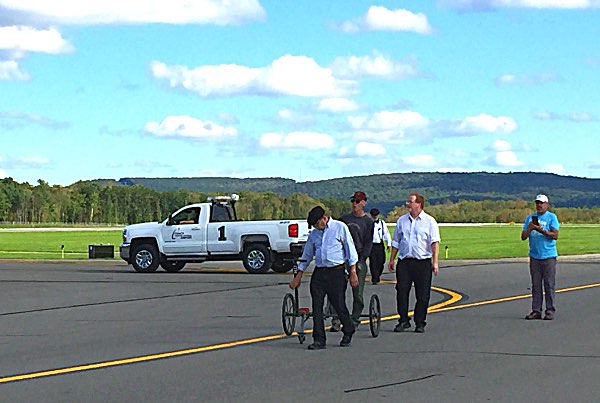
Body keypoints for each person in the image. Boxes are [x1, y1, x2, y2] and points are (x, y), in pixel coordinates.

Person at [289, 206, 359, 350]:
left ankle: (348, 328)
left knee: (338, 304)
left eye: (316, 223)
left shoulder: (340, 227)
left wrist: (353, 271)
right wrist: (298, 276)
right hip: (320, 272)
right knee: (317, 305)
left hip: (337, 271)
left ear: (324, 218)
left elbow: (350, 249)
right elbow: (307, 255)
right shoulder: (314, 234)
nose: (315, 227)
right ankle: (319, 339)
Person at [388, 192, 440, 334]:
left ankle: (420, 321)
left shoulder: (429, 221)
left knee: (422, 294)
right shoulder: (402, 221)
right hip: (405, 261)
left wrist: (435, 262)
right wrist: (392, 259)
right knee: (401, 291)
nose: (408, 205)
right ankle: (403, 320)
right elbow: (396, 241)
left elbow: (434, 243)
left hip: (422, 262)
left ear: (419, 204)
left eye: (410, 202)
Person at [330, 191, 374, 331]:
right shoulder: (344, 220)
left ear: (363, 203)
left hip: (358, 257)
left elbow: (368, 243)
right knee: (336, 290)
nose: (354, 204)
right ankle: (336, 318)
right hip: (343, 259)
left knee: (357, 292)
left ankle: (355, 318)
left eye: (357, 201)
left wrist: (362, 260)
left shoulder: (368, 222)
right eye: (353, 201)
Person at [521, 194, 560, 320]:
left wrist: (540, 230)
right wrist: (529, 228)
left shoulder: (551, 217)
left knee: (549, 284)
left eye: (542, 203)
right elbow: (523, 236)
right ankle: (536, 310)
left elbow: (555, 235)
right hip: (535, 256)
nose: (539, 205)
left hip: (548, 255)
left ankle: (550, 310)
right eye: (537, 203)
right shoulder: (530, 218)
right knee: (536, 285)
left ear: (546, 204)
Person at [369, 207, 391, 285]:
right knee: (373, 262)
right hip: (371, 245)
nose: (374, 217)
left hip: (380, 244)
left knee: (381, 261)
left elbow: (386, 233)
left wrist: (388, 244)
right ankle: (374, 278)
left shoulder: (382, 223)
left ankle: (378, 274)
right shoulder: (368, 223)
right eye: (373, 215)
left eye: (376, 215)